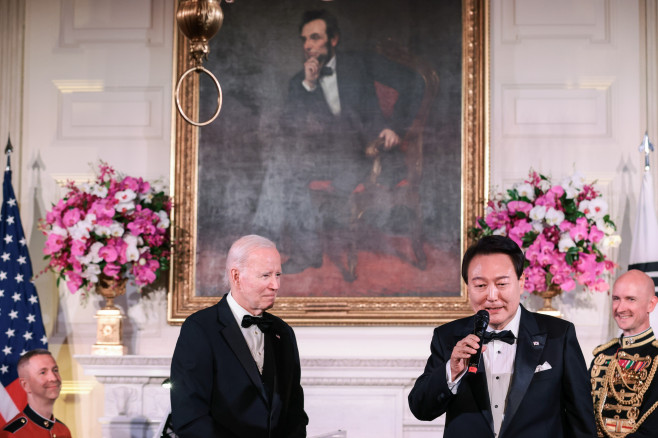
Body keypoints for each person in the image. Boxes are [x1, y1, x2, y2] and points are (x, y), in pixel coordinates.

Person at [253, 9, 422, 275]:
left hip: (369, 155)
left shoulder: (361, 63)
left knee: (286, 167)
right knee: (282, 167)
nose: (307, 45)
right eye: (304, 39)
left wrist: (395, 127)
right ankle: (290, 250)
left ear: (333, 40)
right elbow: (290, 128)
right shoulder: (299, 81)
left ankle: (259, 247)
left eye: (315, 37)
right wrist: (308, 86)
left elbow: (415, 82)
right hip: (328, 158)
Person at [408, 235, 597, 437]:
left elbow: (581, 421)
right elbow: (421, 409)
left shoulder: (559, 335)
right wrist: (451, 371)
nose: (491, 296)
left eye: (502, 284)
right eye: (480, 285)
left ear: (521, 282)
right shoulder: (447, 336)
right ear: (468, 288)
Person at [170, 234, 308, 438]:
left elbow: (294, 412)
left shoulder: (283, 332)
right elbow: (189, 417)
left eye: (278, 275)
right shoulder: (200, 328)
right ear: (236, 276)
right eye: (265, 276)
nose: (275, 285)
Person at [590, 269, 658, 436]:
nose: (620, 308)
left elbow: (652, 429)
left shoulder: (655, 358)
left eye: (631, 299)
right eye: (616, 299)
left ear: (651, 304)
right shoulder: (602, 356)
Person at [0, 349, 71, 437]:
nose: (53, 378)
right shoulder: (12, 434)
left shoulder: (63, 430)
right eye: (43, 372)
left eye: (55, 370)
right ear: (26, 385)